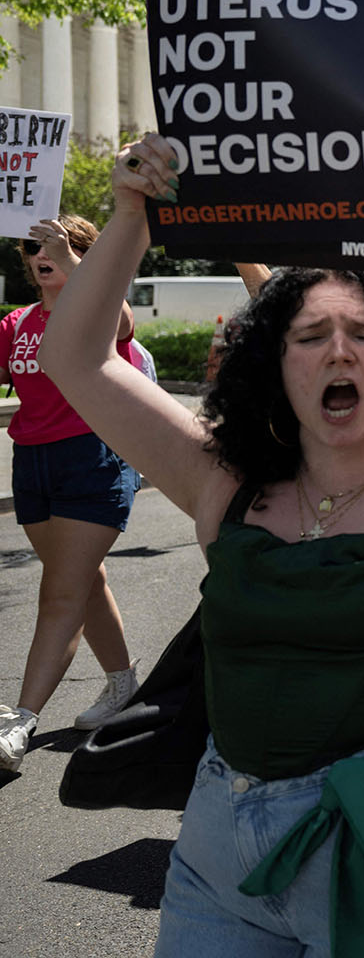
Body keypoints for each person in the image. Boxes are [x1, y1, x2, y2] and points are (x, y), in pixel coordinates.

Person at [39, 109, 364, 956]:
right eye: (309, 336)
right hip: (221, 851)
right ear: (273, 367)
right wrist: (133, 214)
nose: (339, 354)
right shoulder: (226, 485)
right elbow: (79, 359)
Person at [0, 215, 141, 773]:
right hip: (33, 463)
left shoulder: (98, 305)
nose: (40, 252)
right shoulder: (17, 323)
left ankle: (19, 721)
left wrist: (79, 261)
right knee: (84, 581)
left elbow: (123, 323)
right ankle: (124, 684)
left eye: (53, 243)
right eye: (31, 246)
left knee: (61, 590)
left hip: (93, 455)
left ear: (79, 249)